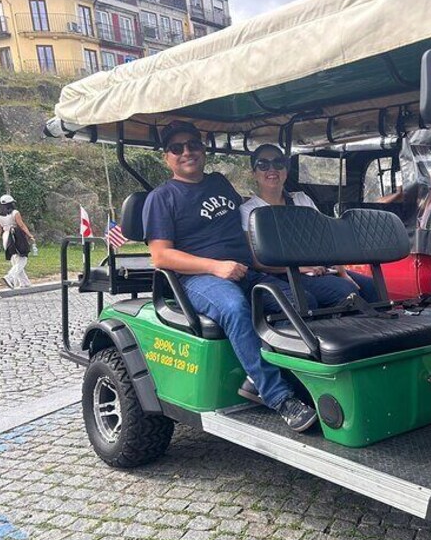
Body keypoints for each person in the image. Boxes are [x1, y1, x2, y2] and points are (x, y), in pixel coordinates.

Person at [142, 121, 318, 433]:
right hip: (197, 278)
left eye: (192, 145)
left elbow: (252, 219)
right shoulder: (162, 197)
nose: (187, 152)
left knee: (300, 299)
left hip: (244, 270)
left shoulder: (219, 183)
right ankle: (279, 396)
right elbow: (160, 256)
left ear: (203, 149)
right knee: (235, 308)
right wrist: (215, 266)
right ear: (166, 156)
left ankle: (261, 376)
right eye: (177, 148)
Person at [240, 144, 379, 305]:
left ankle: (383, 327)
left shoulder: (301, 199)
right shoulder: (248, 211)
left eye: (278, 163)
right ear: (254, 173)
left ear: (286, 170)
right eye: (263, 165)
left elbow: (326, 237)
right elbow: (257, 261)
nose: (272, 170)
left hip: (316, 268)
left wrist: (341, 271)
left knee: (370, 287)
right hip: (282, 273)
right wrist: (303, 268)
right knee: (343, 291)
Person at [0, 194, 35, 289]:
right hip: (16, 235)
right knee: (23, 258)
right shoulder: (15, 213)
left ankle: (24, 282)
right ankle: (10, 277)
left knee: (15, 259)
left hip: (5, 237)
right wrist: (30, 235)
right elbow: (21, 225)